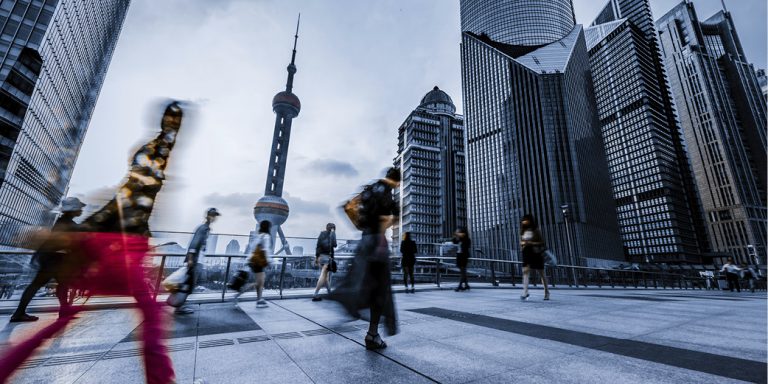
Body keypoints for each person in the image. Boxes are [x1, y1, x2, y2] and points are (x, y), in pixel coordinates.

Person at [1, 101, 183, 384]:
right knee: (152, 321)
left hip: (99, 254)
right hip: (124, 255)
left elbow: (96, 222)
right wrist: (169, 131)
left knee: (57, 322)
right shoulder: (141, 192)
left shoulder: (123, 193)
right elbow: (162, 152)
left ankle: (6, 367)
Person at [331, 167, 400, 350]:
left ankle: (350, 307)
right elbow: (394, 217)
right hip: (378, 242)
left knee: (361, 281)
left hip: (364, 241)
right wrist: (383, 226)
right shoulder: (388, 193)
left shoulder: (370, 188)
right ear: (397, 182)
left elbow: (347, 206)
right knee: (380, 290)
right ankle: (372, 334)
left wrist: (364, 225)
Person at [10, 197, 86, 322]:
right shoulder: (67, 224)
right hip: (54, 259)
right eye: (79, 208)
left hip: (52, 258)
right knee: (48, 284)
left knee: (58, 284)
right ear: (73, 209)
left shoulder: (64, 222)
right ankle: (20, 313)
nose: (81, 210)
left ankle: (63, 310)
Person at [173, 207, 220, 315]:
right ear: (208, 216)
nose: (214, 218)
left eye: (215, 216)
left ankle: (180, 305)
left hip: (198, 260)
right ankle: (179, 306)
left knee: (189, 284)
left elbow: (200, 245)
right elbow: (194, 243)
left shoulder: (206, 228)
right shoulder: (203, 228)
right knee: (188, 284)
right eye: (213, 215)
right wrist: (190, 259)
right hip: (195, 261)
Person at [238, 220, 272, 308]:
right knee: (259, 283)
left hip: (253, 261)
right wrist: (268, 261)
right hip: (259, 262)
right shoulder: (266, 236)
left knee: (260, 282)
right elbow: (265, 250)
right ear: (268, 227)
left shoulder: (258, 236)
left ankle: (259, 300)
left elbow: (252, 248)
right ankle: (240, 293)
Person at [520, 214, 550, 301]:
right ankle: (525, 292)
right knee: (525, 272)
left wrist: (531, 243)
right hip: (526, 253)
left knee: (542, 274)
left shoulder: (536, 230)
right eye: (523, 220)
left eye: (526, 220)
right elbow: (521, 242)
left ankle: (547, 292)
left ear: (530, 220)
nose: (524, 221)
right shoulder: (523, 231)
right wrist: (523, 244)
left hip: (536, 253)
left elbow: (542, 243)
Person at [312, 223, 337, 301]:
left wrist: (317, 257)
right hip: (327, 258)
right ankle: (315, 294)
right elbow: (334, 244)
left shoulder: (322, 234)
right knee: (323, 275)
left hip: (320, 257)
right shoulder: (332, 234)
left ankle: (329, 293)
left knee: (325, 277)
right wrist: (333, 234)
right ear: (333, 228)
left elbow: (318, 246)